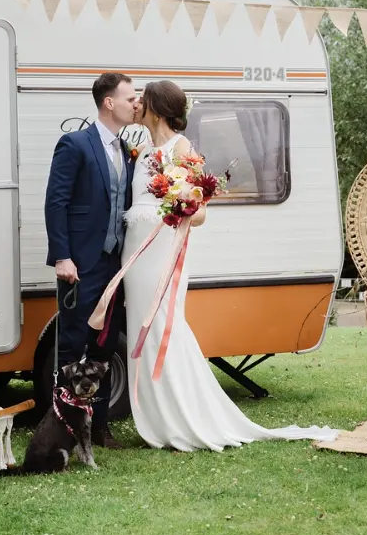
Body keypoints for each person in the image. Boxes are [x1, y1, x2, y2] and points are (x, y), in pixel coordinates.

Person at [121, 80, 338, 451]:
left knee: (163, 325)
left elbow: (200, 213)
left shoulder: (181, 147)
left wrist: (181, 206)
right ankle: (157, 414)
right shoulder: (142, 152)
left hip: (162, 251)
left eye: (144, 100)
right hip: (136, 252)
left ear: (156, 108)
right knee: (142, 326)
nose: (137, 103)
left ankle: (183, 414)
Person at [44, 71, 138, 450]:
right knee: (72, 346)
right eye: (130, 98)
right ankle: (62, 429)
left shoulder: (127, 150)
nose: (137, 104)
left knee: (103, 348)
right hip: (81, 264)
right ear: (109, 102)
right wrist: (62, 256)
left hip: (116, 264)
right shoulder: (75, 144)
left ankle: (99, 429)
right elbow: (57, 202)